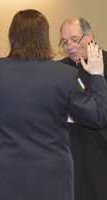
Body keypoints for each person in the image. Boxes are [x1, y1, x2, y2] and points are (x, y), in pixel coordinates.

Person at [0, 9, 107, 200]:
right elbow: (97, 116)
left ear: (12, 37)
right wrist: (97, 76)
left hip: (1, 180)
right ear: (45, 37)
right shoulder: (63, 75)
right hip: (51, 181)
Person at [59, 17, 107, 200]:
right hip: (72, 153)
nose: (69, 46)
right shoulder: (59, 70)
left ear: (90, 36)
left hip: (102, 151)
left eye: (74, 39)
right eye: (64, 42)